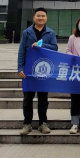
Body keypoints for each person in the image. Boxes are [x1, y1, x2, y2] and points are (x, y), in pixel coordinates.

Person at [17, 8, 58, 136]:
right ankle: (27, 124)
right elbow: (21, 51)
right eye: (38, 16)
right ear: (34, 17)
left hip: (44, 70)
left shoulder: (50, 32)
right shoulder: (27, 32)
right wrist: (20, 68)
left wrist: (41, 45)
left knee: (43, 98)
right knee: (27, 98)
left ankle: (43, 123)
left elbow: (54, 48)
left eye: (43, 16)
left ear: (46, 18)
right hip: (29, 70)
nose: (41, 18)